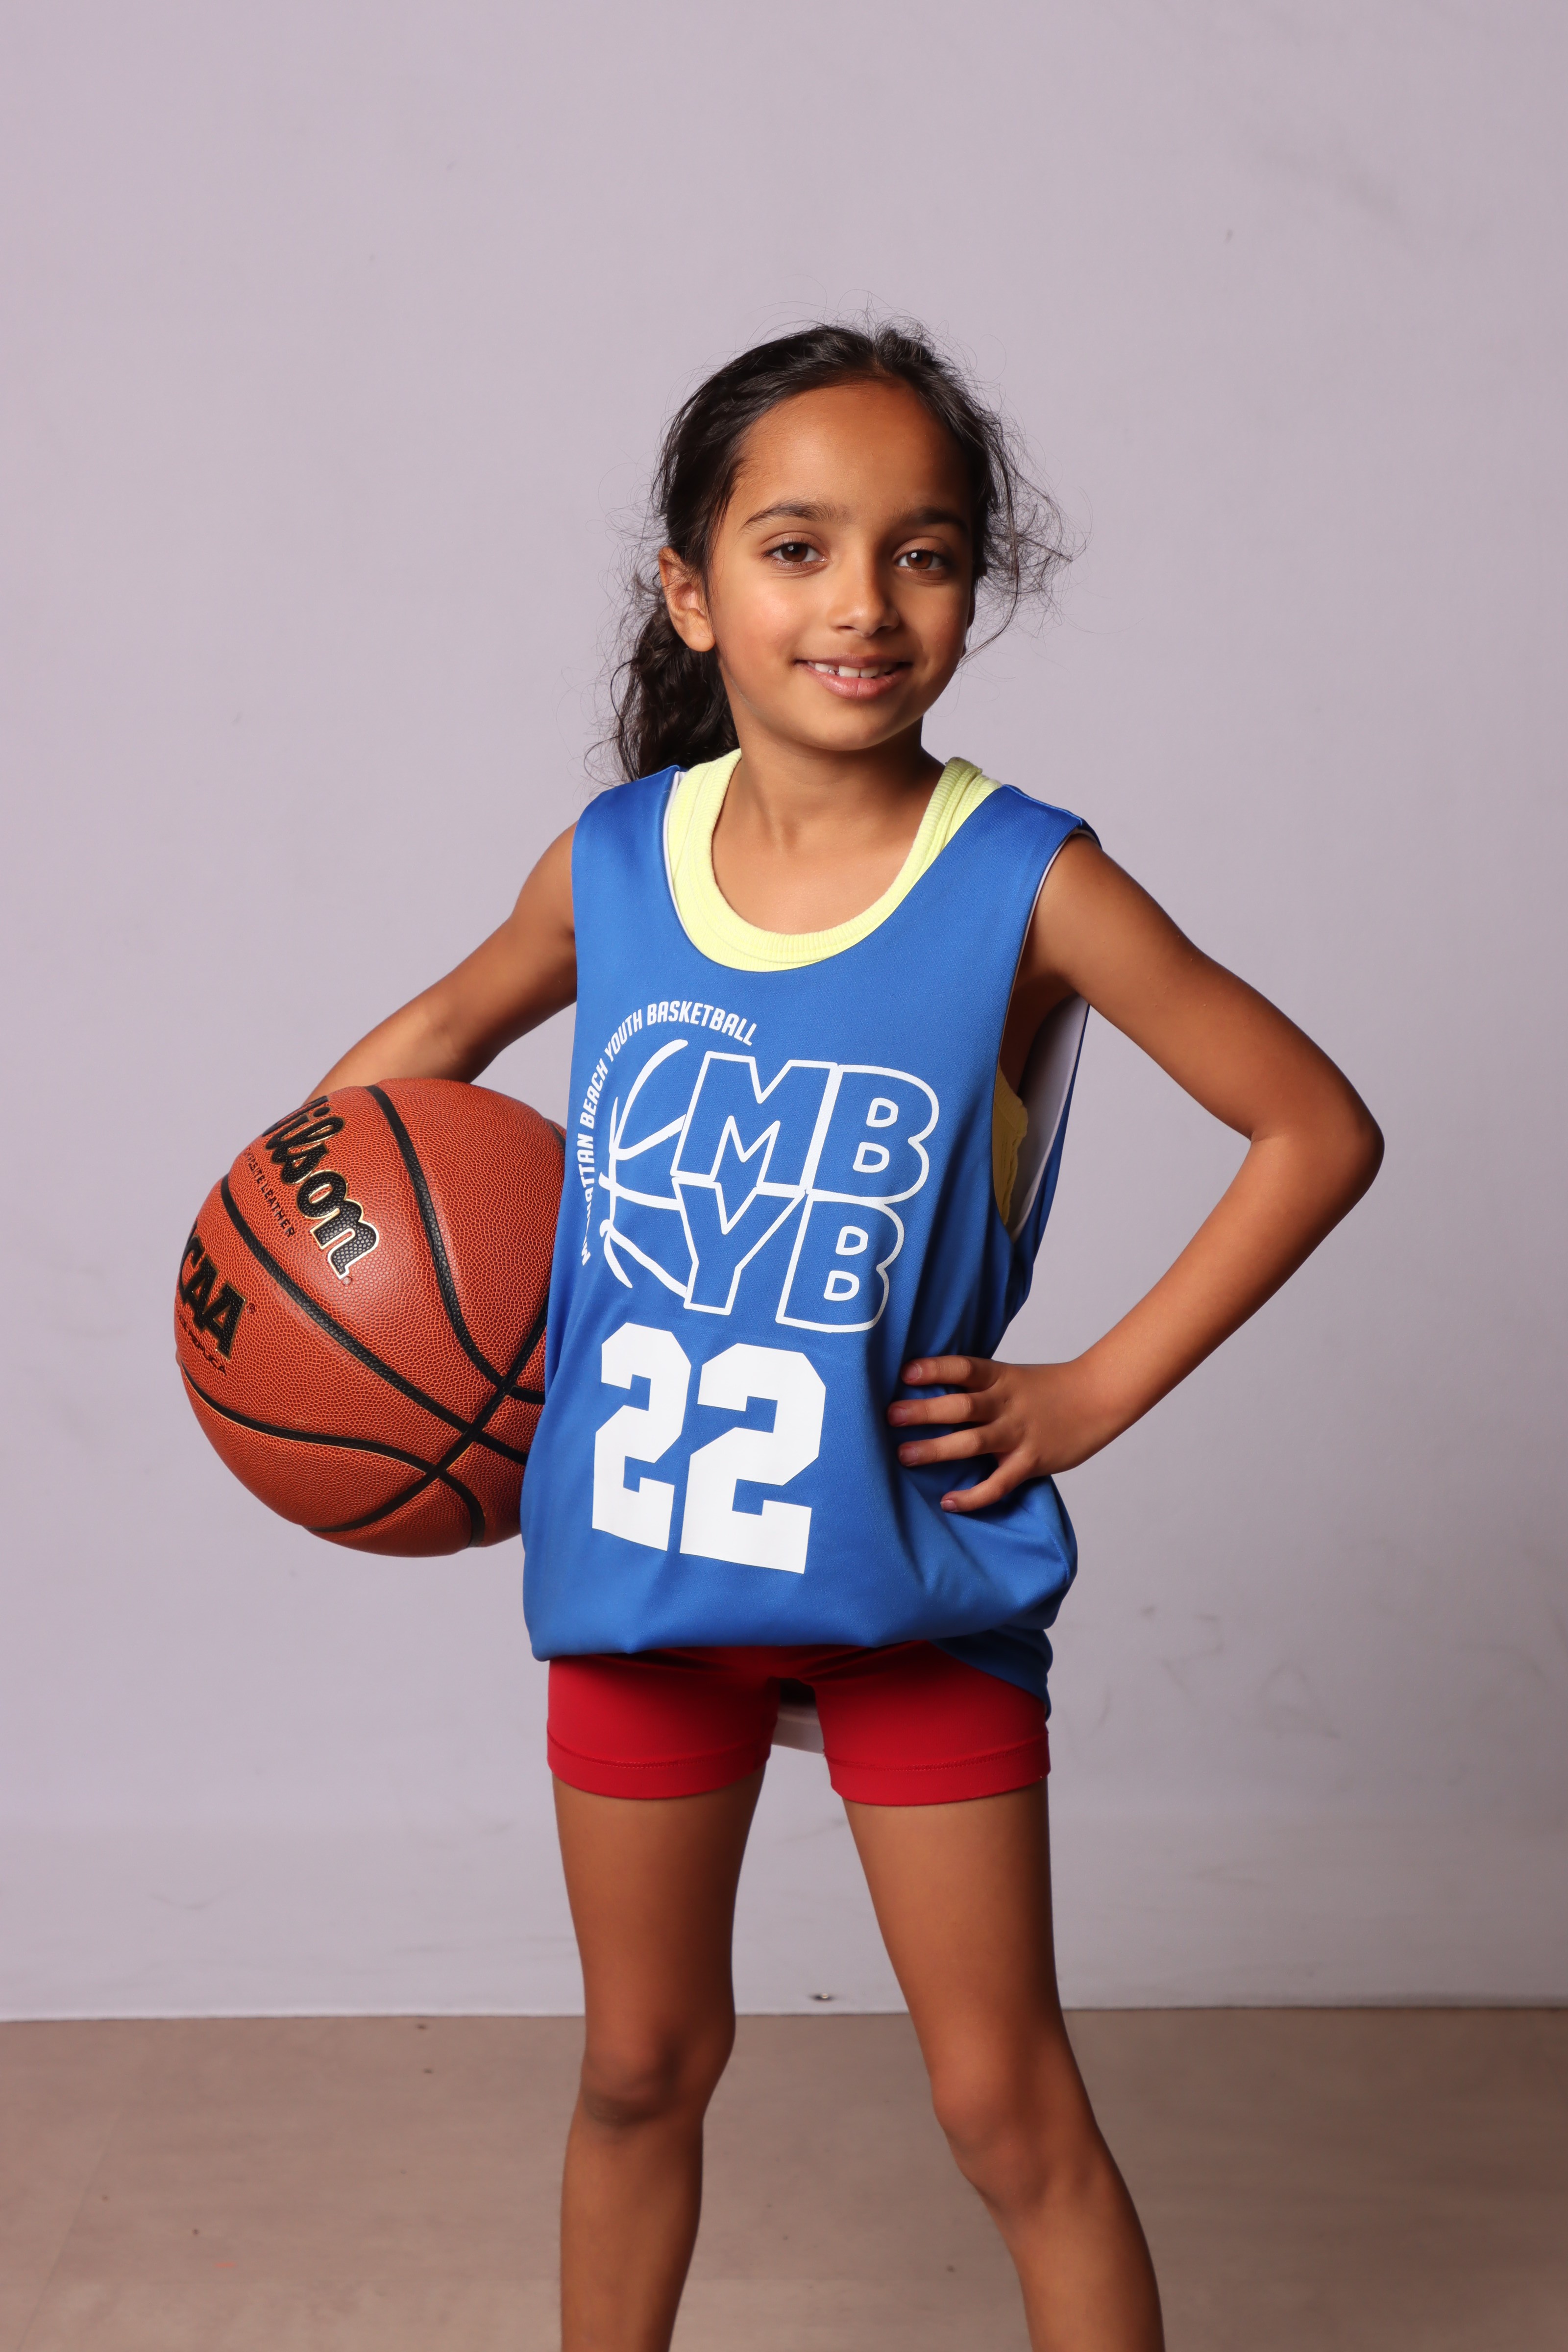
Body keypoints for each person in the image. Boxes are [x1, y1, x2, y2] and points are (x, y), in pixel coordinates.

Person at [317, 322, 1382, 2352]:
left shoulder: (1026, 881)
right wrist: (299, 1247)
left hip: (908, 1574)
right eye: (796, 547)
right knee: (640, 2069)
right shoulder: (615, 864)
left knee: (1003, 2111)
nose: (864, 603)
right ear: (690, 589)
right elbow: (427, 1048)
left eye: (925, 552)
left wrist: (1092, 1390)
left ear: (974, 586)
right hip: (644, 1569)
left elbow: (1311, 1128)